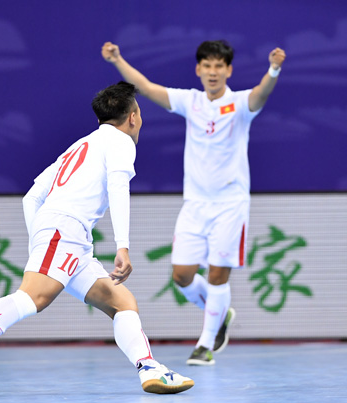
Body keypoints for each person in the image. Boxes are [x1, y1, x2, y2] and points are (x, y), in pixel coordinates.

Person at [0, 81, 195, 397]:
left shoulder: (78, 146)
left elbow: (31, 198)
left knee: (122, 302)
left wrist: (39, 241)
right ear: (134, 116)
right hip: (64, 231)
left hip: (69, 238)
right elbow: (118, 188)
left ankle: (149, 368)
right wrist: (122, 245)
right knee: (33, 298)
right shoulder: (123, 142)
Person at [102, 40, 286, 365]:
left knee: (217, 275)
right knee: (182, 276)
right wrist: (117, 59)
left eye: (219, 66)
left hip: (231, 203)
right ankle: (219, 314)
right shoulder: (190, 101)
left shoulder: (241, 103)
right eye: (208, 66)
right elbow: (144, 87)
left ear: (228, 70)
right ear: (199, 69)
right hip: (195, 204)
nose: (213, 72)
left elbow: (262, 93)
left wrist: (273, 69)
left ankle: (205, 344)